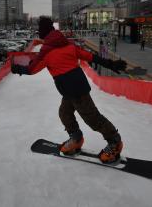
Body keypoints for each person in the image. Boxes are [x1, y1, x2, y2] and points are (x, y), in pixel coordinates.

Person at [11, 16, 127, 163]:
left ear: (44, 32)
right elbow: (91, 57)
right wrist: (110, 64)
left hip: (77, 91)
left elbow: (32, 69)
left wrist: (16, 68)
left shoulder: (46, 52)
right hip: (69, 91)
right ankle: (76, 138)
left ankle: (114, 142)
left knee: (92, 118)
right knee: (64, 113)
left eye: (39, 29)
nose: (38, 32)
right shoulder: (68, 45)